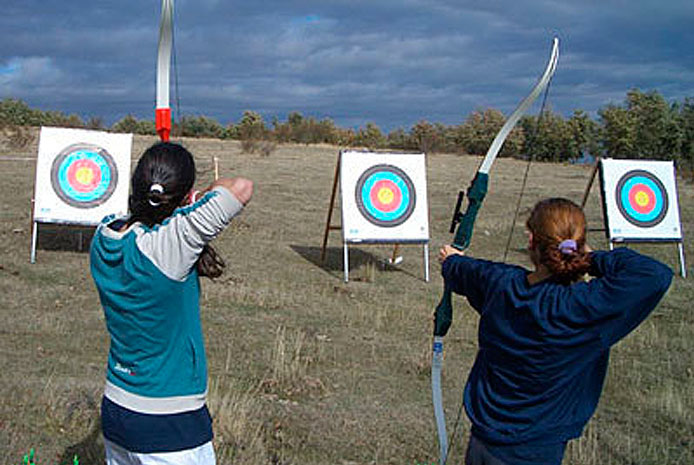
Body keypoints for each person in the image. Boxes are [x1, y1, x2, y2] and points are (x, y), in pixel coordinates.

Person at [438, 197, 673, 465]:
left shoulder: (499, 283)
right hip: (537, 449)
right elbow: (655, 274)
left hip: (482, 439)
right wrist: (589, 259)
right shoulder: (583, 309)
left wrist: (451, 260)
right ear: (577, 247)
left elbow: (461, 266)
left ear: (531, 243)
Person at [90, 142, 253, 465]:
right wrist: (192, 199)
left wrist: (170, 202)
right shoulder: (169, 247)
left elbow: (138, 221)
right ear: (181, 195)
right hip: (168, 421)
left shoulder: (103, 236)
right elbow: (241, 187)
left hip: (117, 408)